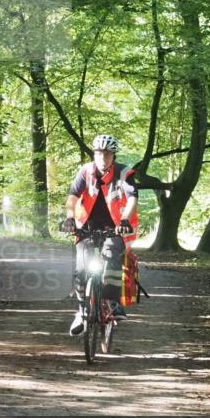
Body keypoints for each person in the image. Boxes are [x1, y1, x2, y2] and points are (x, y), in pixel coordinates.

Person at [61, 134, 163, 336]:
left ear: (113, 156)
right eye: (99, 153)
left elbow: (132, 197)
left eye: (107, 154)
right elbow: (72, 196)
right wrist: (70, 218)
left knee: (110, 258)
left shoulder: (124, 173)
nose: (102, 158)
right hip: (86, 226)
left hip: (116, 226)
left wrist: (125, 220)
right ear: (94, 154)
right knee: (81, 268)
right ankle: (81, 311)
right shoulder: (85, 171)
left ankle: (112, 302)